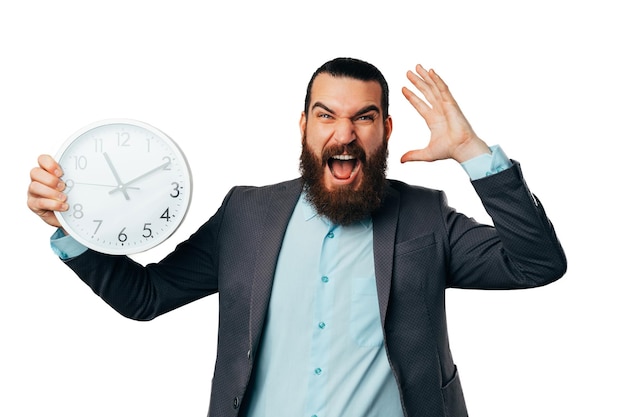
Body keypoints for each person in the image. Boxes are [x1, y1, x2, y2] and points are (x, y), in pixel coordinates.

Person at [27, 57, 567, 417]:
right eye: (326, 115)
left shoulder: (426, 217)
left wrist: (472, 151)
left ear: (385, 131)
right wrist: (70, 229)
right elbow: (144, 298)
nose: (344, 133)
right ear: (304, 126)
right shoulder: (246, 212)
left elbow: (536, 263)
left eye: (364, 117)